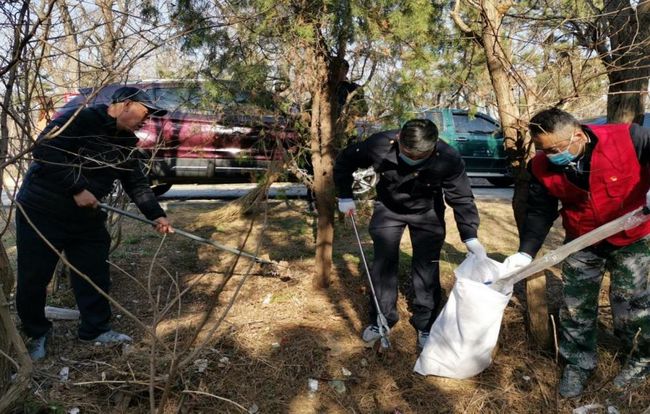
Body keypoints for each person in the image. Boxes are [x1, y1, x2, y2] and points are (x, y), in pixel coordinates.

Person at [16, 86, 174, 361]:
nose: (147, 120)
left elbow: (136, 183)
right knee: (34, 277)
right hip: (41, 211)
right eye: (145, 113)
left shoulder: (125, 143)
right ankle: (36, 332)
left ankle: (95, 328)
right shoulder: (80, 119)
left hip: (85, 220)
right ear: (126, 104)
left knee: (94, 271)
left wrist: (155, 214)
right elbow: (43, 149)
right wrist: (76, 187)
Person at [504, 108, 650, 397]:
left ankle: (641, 359)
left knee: (632, 307)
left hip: (632, 237)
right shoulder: (541, 166)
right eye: (544, 150)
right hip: (582, 240)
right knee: (575, 307)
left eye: (555, 149)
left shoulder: (630, 138)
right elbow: (539, 212)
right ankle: (579, 363)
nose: (551, 157)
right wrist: (525, 252)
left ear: (579, 135)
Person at [334, 118, 485, 349]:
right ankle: (381, 318)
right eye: (408, 154)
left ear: (433, 147)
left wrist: (469, 234)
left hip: (428, 211)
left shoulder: (448, 157)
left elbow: (461, 197)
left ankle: (425, 323)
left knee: (426, 267)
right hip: (389, 208)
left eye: (419, 157)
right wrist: (344, 195)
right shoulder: (380, 144)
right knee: (383, 264)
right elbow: (345, 161)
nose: (412, 160)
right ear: (399, 141)